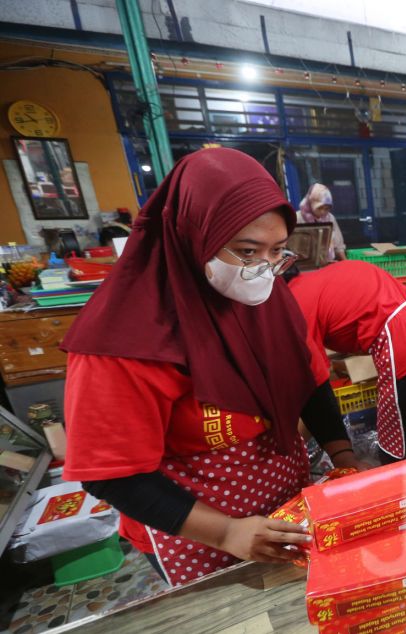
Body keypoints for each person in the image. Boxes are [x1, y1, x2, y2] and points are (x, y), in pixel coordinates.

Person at [61, 149, 356, 587]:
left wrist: (343, 458)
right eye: (246, 250)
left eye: (277, 251)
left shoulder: (266, 297)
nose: (262, 269)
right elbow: (112, 476)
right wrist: (227, 531)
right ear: (191, 235)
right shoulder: (123, 338)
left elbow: (309, 383)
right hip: (193, 528)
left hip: (282, 505)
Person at [288, 260, 406, 461]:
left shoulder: (294, 303)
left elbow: (316, 394)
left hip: (404, 344)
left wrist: (292, 450)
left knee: (393, 454)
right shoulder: (315, 282)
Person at [298, 183, 346, 262]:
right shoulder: (298, 218)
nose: (323, 212)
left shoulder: (330, 218)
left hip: (327, 261)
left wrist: (345, 262)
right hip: (304, 264)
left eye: (327, 208)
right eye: (319, 208)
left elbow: (338, 244)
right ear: (311, 203)